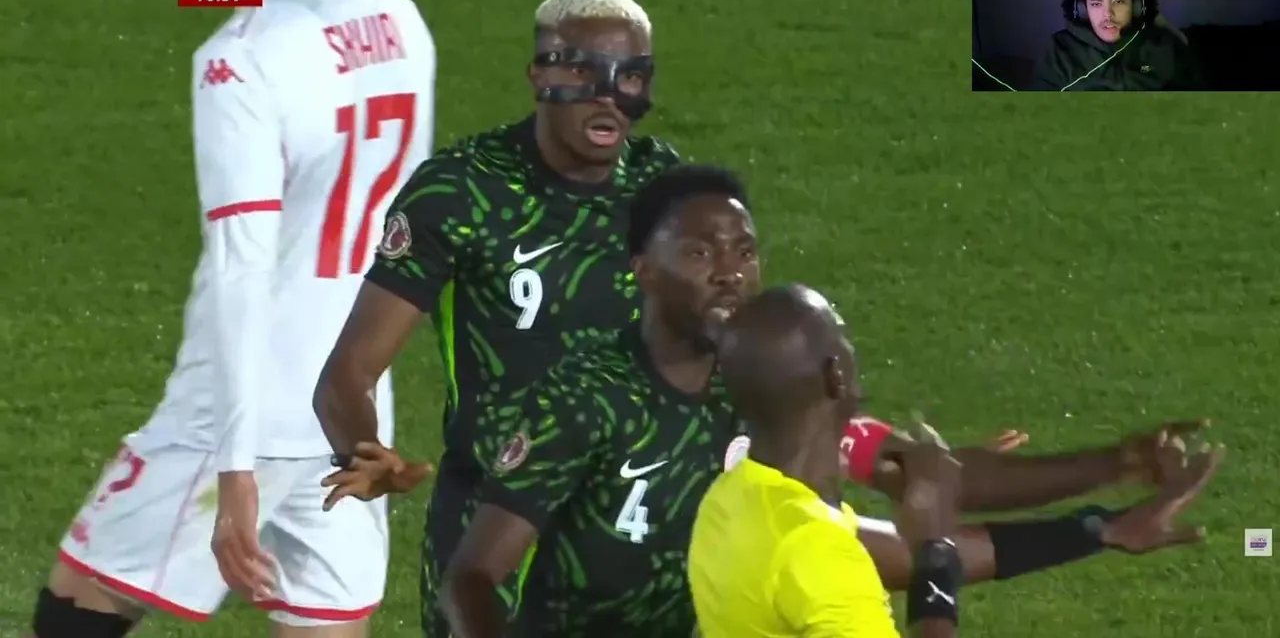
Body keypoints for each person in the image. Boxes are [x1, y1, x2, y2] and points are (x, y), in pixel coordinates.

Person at [420, 166, 1217, 637]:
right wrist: (943, 553)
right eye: (699, 252)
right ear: (643, 269)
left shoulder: (766, 411)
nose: (730, 271)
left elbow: (928, 484)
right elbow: (473, 578)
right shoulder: (583, 399)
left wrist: (1111, 478)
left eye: (744, 251)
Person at [30, 0, 437, 636]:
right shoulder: (399, 17)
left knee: (74, 614)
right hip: (350, 402)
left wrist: (235, 466)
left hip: (241, 409)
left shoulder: (241, 59)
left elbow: (241, 267)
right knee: (325, 620)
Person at [310, 0, 678, 636]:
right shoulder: (464, 192)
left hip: (637, 534)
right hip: (491, 541)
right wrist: (365, 452)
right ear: (539, 74)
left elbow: (728, 354)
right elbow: (347, 375)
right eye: (584, 72)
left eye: (629, 77)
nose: (608, 95)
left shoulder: (665, 195)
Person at [690, 284, 1225, 637]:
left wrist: (1098, 529)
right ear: (836, 375)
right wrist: (935, 551)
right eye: (843, 335)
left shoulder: (732, 501)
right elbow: (893, 557)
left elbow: (895, 545)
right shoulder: (817, 554)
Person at [1031, 0, 1202, 91]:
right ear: (1082, 9)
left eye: (1118, 1)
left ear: (1138, 6)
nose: (1108, 14)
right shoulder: (1060, 50)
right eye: (1096, 4)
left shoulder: (1165, 46)